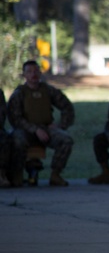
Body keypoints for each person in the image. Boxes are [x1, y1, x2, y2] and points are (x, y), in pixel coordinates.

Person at [8, 59, 75, 187]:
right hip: (26, 131)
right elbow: (15, 119)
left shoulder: (48, 90)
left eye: (36, 71)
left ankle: (56, 175)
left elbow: (67, 107)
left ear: (40, 72)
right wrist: (35, 129)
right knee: (16, 140)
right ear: (24, 75)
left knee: (66, 140)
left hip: (47, 129)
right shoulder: (19, 93)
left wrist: (61, 125)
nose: (33, 74)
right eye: (29, 72)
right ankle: (17, 175)